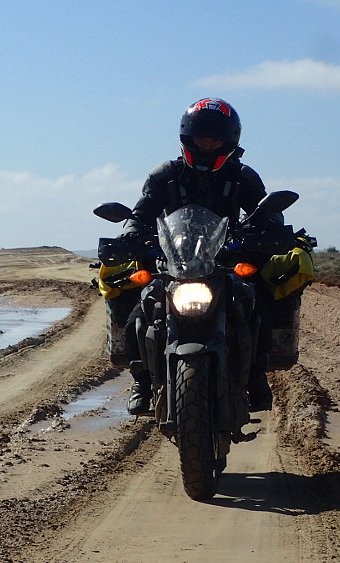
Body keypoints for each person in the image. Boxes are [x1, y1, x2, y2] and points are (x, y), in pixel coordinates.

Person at [118, 97, 285, 415]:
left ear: (228, 141)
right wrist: (130, 236)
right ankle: (141, 380)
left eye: (215, 138)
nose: (207, 144)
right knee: (139, 314)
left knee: (254, 305)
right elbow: (141, 214)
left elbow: (265, 213)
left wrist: (272, 232)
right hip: (174, 263)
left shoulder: (243, 177)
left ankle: (256, 377)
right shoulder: (164, 175)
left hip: (223, 263)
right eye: (201, 137)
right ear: (187, 138)